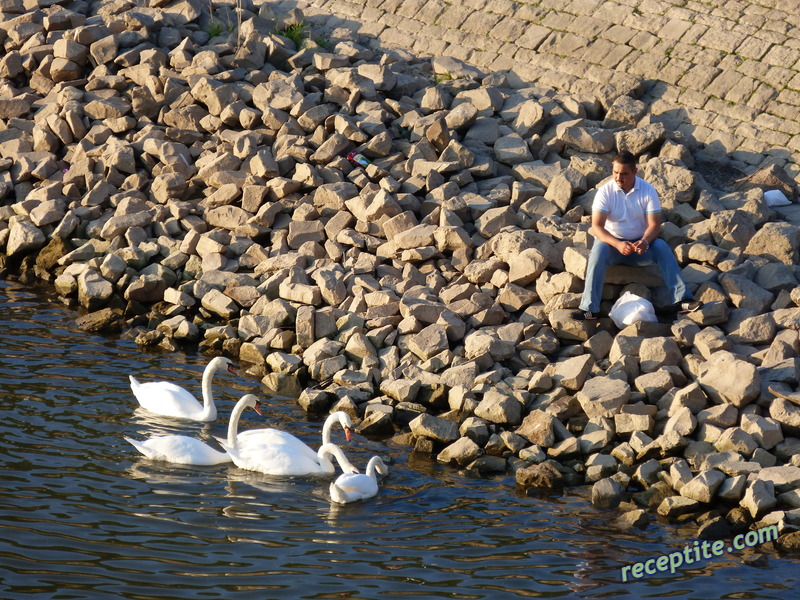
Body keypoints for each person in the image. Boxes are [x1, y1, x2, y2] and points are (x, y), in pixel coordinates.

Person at [572, 151, 700, 321]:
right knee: (597, 250)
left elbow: (654, 225)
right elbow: (597, 227)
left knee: (661, 246)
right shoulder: (605, 192)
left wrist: (645, 242)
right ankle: (590, 309)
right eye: (616, 172)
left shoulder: (647, 190)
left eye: (624, 174)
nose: (619, 178)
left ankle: (683, 300)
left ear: (635, 171)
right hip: (612, 246)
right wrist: (617, 244)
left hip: (640, 248)